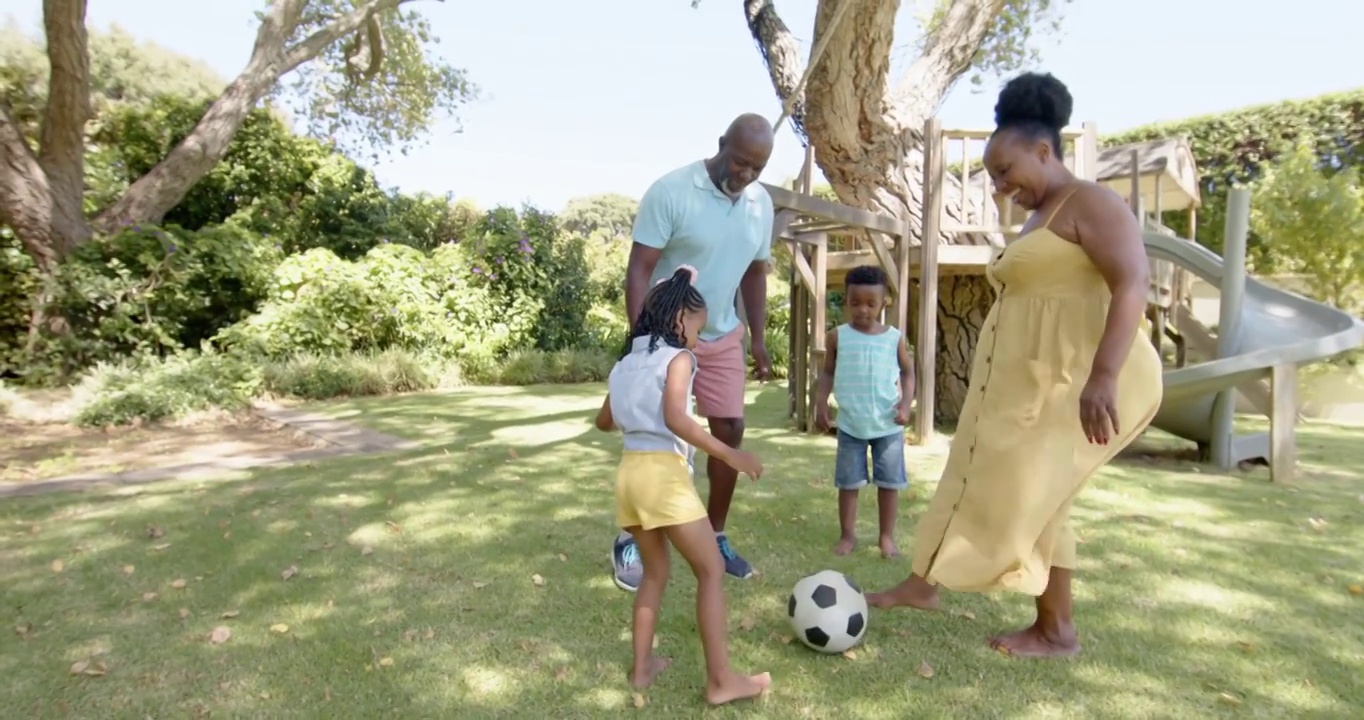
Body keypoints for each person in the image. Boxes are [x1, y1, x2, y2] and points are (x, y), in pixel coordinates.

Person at [866, 71, 1164, 659]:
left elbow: (1133, 283)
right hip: (1021, 382)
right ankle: (933, 587)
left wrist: (1101, 376)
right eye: (993, 176)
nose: (1001, 186)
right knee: (978, 475)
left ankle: (1051, 629)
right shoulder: (1043, 214)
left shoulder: (1093, 204)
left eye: (1006, 171)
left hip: (1067, 384)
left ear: (1044, 150)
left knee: (1026, 491)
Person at [610, 113, 776, 592]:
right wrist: (646, 339)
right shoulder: (671, 191)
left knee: (731, 428)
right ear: (721, 144)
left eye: (757, 168)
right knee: (654, 438)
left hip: (721, 331)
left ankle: (715, 533)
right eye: (740, 161)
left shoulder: (759, 204)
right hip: (666, 334)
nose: (745, 175)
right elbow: (639, 268)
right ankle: (631, 536)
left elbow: (755, 273)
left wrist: (759, 338)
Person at [594, 265, 772, 706]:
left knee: (655, 574)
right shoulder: (678, 358)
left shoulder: (625, 363)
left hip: (630, 475)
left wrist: (635, 412)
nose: (699, 337)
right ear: (678, 321)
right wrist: (731, 454)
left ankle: (641, 669)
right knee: (710, 571)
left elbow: (604, 421)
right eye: (698, 327)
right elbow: (677, 417)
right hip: (663, 477)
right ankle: (721, 680)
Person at [813, 265, 915, 559]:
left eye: (871, 304)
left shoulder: (893, 337)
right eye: (855, 303)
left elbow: (908, 373)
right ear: (845, 301)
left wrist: (906, 404)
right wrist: (821, 404)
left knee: (889, 483)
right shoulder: (838, 337)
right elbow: (828, 373)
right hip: (850, 424)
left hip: (888, 425)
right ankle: (847, 536)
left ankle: (886, 537)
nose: (862, 310)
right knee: (848, 483)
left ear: (884, 303)